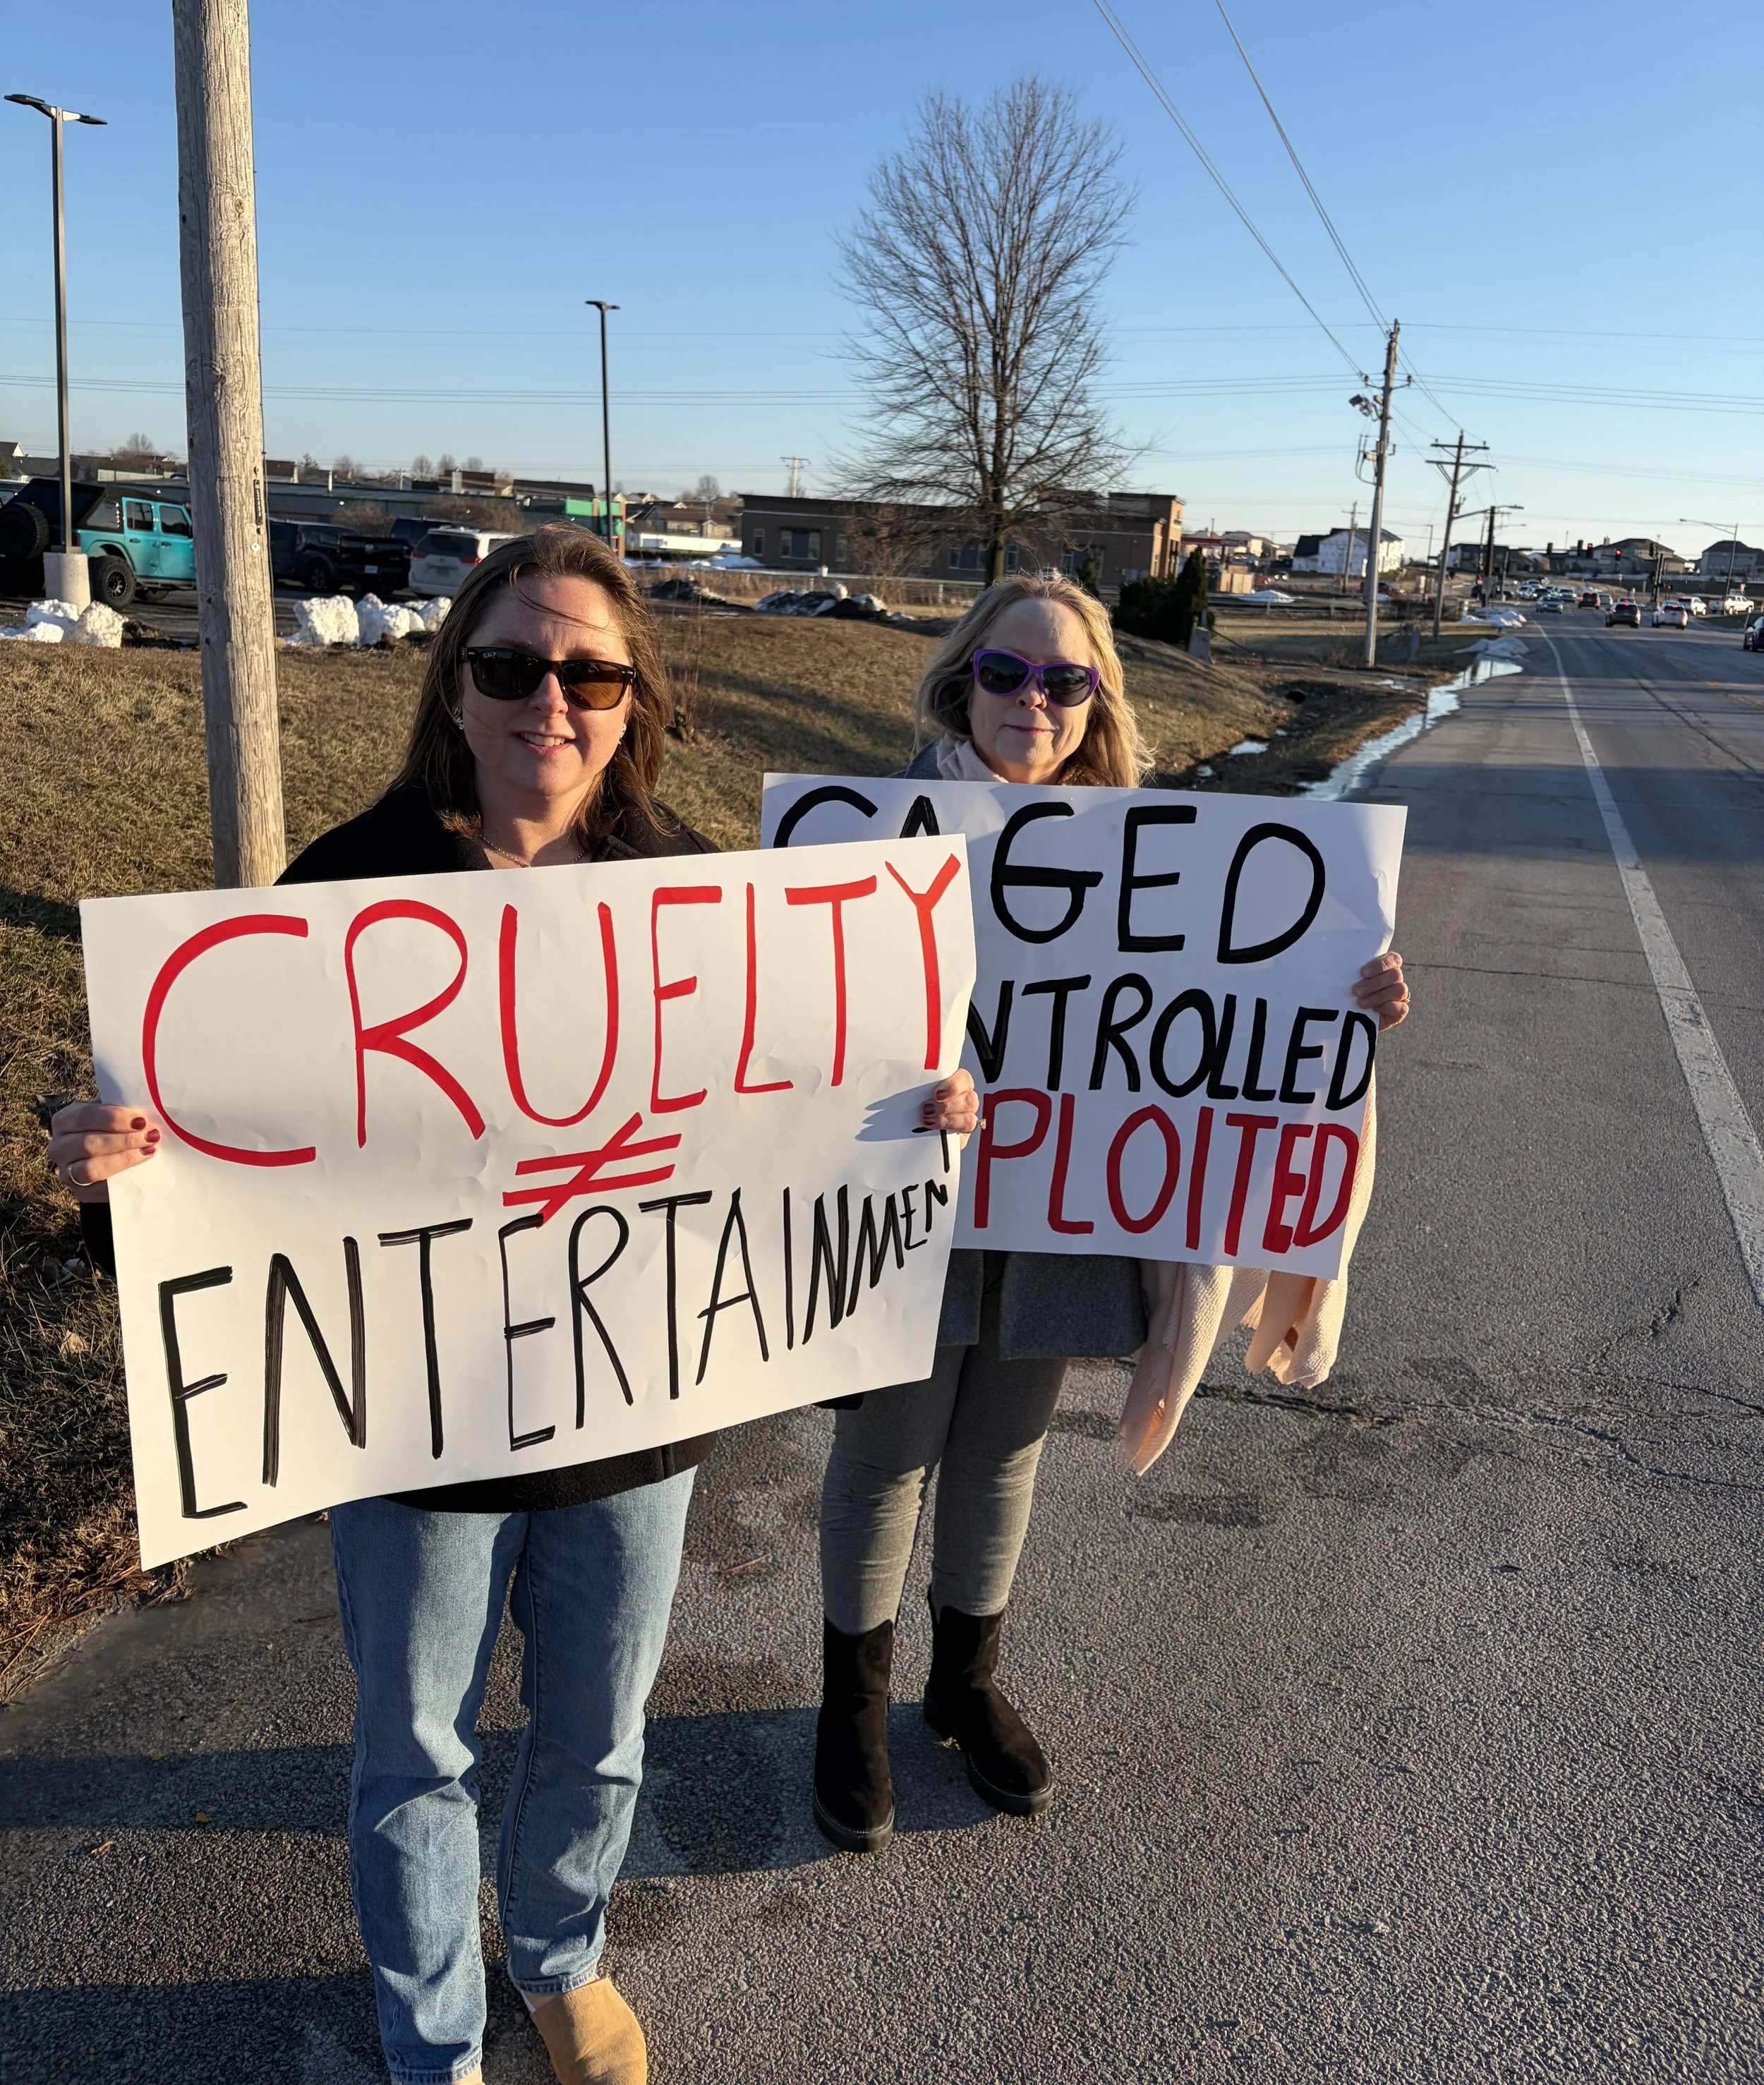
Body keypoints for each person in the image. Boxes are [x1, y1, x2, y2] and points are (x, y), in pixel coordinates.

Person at [47, 525, 976, 2085]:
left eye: (591, 675)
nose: (552, 700)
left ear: (632, 702)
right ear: (456, 688)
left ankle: (559, 1956)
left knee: (601, 1727)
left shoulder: (696, 898)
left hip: (634, 1411)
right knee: (416, 1746)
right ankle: (432, 2036)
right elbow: (228, 1164)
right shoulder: (344, 890)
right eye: (511, 665)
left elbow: (797, 1113)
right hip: (412, 1427)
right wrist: (116, 1178)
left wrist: (914, 1114)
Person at [811, 574, 1408, 1854]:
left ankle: (963, 1685)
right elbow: (794, 1020)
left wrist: (1345, 997)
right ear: (960, 683)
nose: (1033, 699)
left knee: (1003, 1450)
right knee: (888, 1452)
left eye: (1065, 679)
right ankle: (849, 1713)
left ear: (1097, 702)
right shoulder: (861, 835)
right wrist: (893, 1086)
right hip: (908, 1195)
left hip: (1059, 1210)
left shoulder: (1154, 857)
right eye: (1006, 672)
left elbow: (1237, 1012)